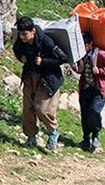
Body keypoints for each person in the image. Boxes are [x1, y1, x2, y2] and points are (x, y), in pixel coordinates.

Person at [13, 16, 68, 151]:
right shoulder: (21, 42)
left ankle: (52, 132)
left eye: (25, 34)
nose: (22, 37)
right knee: (28, 108)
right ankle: (31, 137)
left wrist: (44, 62)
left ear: (33, 31)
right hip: (30, 76)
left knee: (42, 108)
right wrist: (21, 57)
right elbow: (16, 50)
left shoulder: (46, 41)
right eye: (20, 34)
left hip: (48, 78)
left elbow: (63, 58)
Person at [75, 32, 105, 152]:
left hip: (99, 88)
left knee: (94, 111)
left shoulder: (99, 54)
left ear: (90, 44)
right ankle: (85, 139)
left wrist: (100, 70)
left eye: (84, 44)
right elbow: (80, 70)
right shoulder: (81, 55)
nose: (82, 47)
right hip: (86, 87)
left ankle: (95, 135)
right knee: (84, 113)